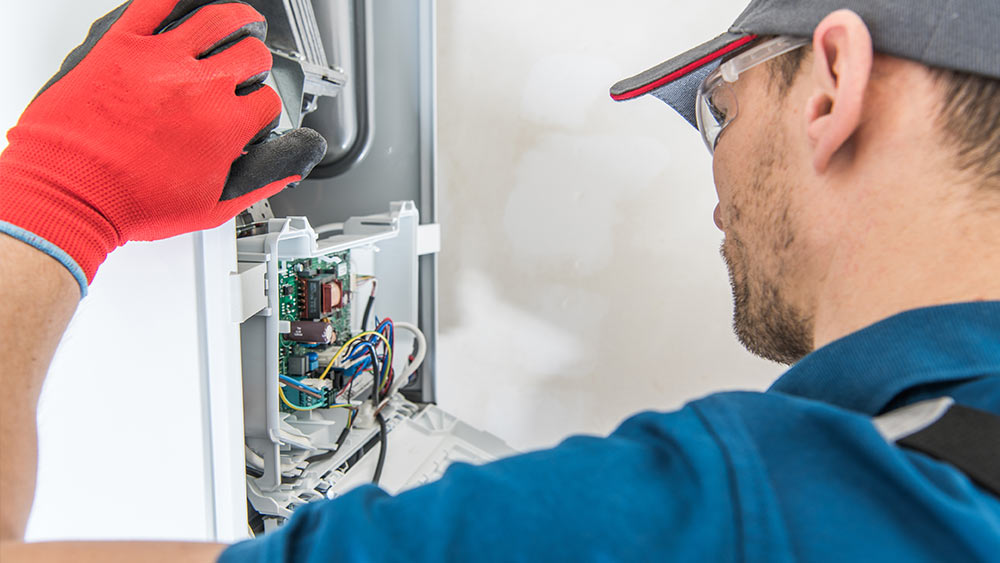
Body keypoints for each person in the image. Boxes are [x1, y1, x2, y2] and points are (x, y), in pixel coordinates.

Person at [1, 0, 997, 560]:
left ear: (830, 85)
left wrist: (56, 193)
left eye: (720, 114)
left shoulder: (740, 516)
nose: (718, 174)